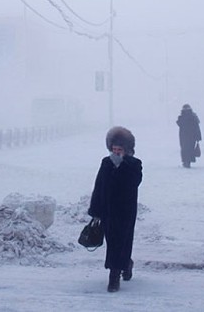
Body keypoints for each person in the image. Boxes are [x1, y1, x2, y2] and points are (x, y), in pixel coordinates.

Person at [88, 126, 142, 293]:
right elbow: (99, 186)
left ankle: (115, 275)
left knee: (123, 241)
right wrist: (95, 210)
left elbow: (134, 183)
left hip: (126, 211)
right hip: (108, 211)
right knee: (113, 243)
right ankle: (122, 267)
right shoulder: (106, 162)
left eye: (120, 149)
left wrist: (122, 167)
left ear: (127, 150)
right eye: (114, 149)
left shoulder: (134, 164)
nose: (116, 152)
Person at [176, 104, 202, 168]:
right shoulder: (193, 117)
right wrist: (198, 137)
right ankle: (188, 162)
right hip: (191, 137)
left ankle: (185, 162)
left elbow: (179, 123)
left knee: (184, 149)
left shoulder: (182, 117)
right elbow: (197, 128)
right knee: (190, 149)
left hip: (184, 137)